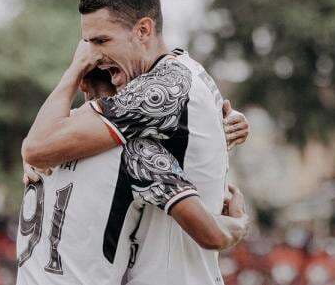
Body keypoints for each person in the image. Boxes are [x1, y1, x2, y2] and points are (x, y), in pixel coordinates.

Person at [21, 0, 249, 285]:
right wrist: (238, 221)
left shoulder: (159, 96)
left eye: (100, 41)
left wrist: (73, 73)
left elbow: (38, 146)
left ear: (143, 30)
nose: (94, 55)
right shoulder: (188, 76)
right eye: (87, 45)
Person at [17, 69, 249, 285]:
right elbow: (213, 235)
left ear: (82, 83)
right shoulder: (136, 150)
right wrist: (240, 221)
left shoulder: (45, 140)